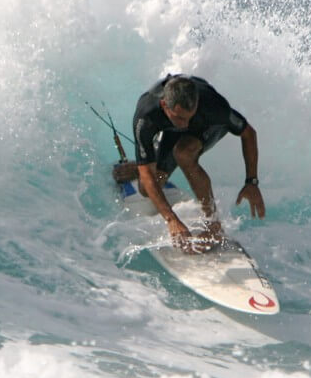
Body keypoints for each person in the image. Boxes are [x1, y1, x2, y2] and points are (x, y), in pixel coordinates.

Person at [112, 74, 266, 253]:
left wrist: (251, 182)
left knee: (183, 153)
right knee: (147, 188)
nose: (185, 125)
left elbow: (248, 133)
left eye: (188, 117)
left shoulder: (213, 105)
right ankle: (142, 164)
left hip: (206, 126)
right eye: (180, 118)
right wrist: (172, 220)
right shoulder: (146, 114)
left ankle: (213, 224)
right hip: (169, 129)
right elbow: (148, 178)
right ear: (164, 105)